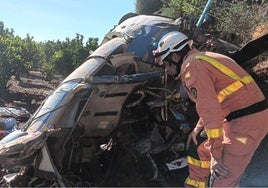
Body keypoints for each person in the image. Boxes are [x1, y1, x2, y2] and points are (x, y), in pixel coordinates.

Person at [152, 31, 268, 187]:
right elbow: (211, 103)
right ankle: (196, 184)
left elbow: (210, 110)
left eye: (166, 64)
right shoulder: (198, 59)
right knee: (198, 143)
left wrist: (216, 156)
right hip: (241, 116)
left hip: (247, 124)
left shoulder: (192, 67)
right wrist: (197, 129)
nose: (166, 70)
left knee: (222, 180)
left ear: (174, 57)